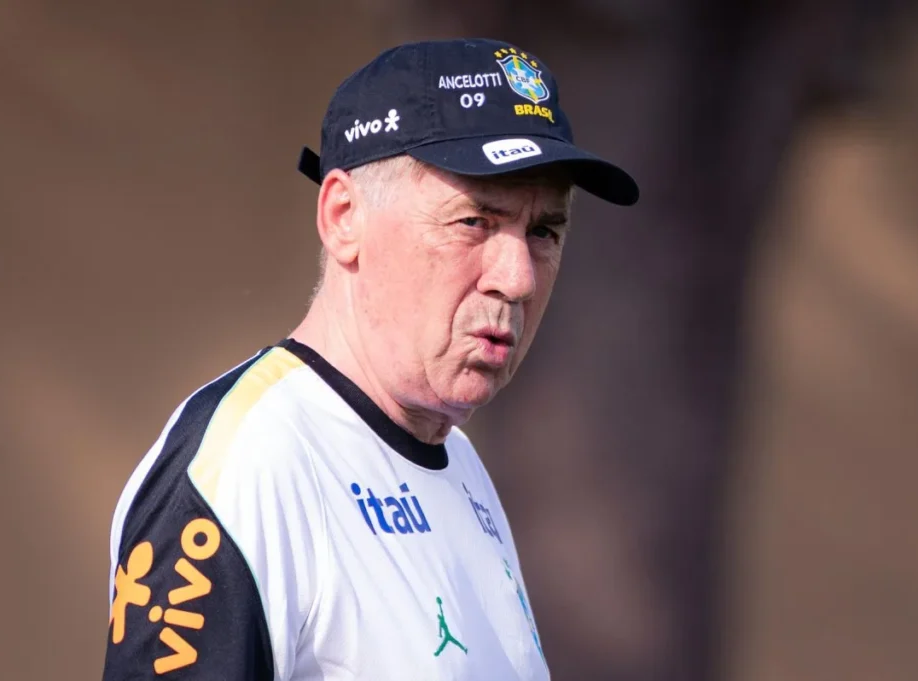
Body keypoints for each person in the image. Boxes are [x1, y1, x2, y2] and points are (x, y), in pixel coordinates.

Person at [102, 37, 638, 681]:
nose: (518, 278)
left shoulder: (458, 460)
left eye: (543, 231)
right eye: (474, 221)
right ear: (344, 217)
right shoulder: (249, 464)